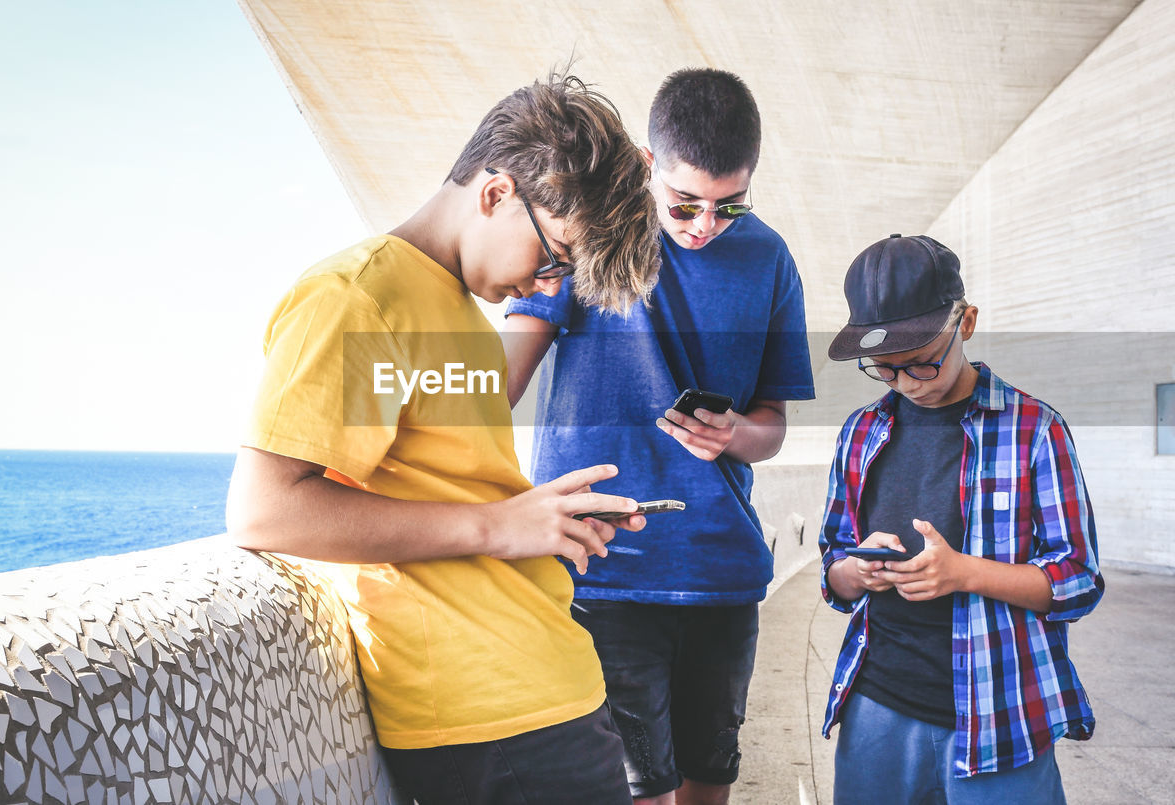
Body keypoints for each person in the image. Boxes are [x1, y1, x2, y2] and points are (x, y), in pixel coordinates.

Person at [225, 70, 663, 805]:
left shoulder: (456, 306)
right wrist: (498, 524)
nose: (549, 281)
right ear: (497, 192)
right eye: (555, 254)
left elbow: (447, 482)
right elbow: (264, 510)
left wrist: (538, 514)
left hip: (544, 687)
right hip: (484, 717)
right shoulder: (356, 297)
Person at [503, 68, 815, 804]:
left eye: (729, 205)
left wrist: (738, 432)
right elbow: (499, 379)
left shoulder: (770, 260)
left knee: (712, 780)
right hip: (605, 570)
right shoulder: (582, 235)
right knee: (636, 790)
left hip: (723, 571)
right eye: (686, 203)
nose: (705, 224)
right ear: (647, 166)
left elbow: (772, 427)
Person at [818, 233, 1104, 804]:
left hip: (1001, 711)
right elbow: (833, 563)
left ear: (966, 322)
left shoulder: (1034, 430)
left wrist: (964, 573)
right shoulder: (860, 433)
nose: (905, 383)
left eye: (923, 363)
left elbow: (1079, 581)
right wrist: (855, 572)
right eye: (884, 369)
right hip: (876, 705)